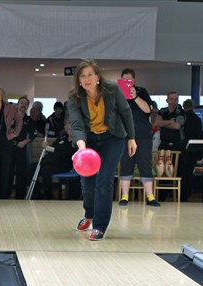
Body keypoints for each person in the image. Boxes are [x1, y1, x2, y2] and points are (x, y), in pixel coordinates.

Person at [67, 59, 136, 241]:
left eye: (90, 74)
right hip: (89, 140)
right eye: (83, 76)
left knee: (104, 180)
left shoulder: (112, 88)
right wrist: (82, 148)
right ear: (78, 79)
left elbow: (126, 112)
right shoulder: (74, 97)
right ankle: (89, 213)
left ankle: (99, 226)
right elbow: (77, 125)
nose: (87, 78)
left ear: (97, 76)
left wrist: (131, 138)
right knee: (87, 183)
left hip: (113, 138)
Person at [118, 68, 160, 207]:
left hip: (142, 135)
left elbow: (148, 110)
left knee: (145, 164)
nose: (127, 82)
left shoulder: (142, 91)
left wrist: (135, 96)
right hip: (125, 135)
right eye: (124, 80)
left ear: (134, 80)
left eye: (129, 80)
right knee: (126, 165)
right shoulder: (117, 93)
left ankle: (150, 197)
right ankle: (124, 196)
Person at [27, 122, 75, 200]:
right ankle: (36, 193)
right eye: (69, 129)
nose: (71, 131)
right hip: (52, 161)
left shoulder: (76, 142)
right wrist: (48, 146)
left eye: (72, 129)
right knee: (31, 168)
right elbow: (53, 147)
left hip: (64, 164)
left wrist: (49, 148)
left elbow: (66, 152)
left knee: (46, 170)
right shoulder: (62, 137)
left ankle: (48, 193)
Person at [13, 96, 36, 199]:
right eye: (21, 103)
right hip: (10, 147)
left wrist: (25, 141)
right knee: (8, 171)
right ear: (17, 104)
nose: (23, 105)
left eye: (25, 104)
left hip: (22, 147)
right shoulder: (10, 117)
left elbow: (33, 134)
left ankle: (20, 196)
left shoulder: (29, 120)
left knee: (21, 172)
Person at [182, 99, 203, 200]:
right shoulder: (197, 119)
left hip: (183, 148)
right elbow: (200, 134)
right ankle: (188, 192)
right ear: (193, 107)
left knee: (182, 171)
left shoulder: (183, 117)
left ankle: (182, 193)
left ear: (184, 107)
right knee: (190, 172)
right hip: (194, 149)